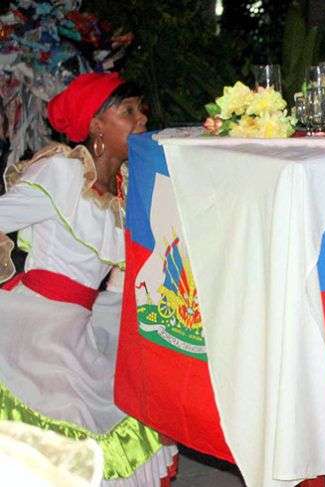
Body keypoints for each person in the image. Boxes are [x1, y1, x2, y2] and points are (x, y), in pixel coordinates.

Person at [0, 72, 178, 485]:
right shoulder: (62, 174)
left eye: (141, 111)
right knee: (64, 436)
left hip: (79, 325)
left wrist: (129, 349)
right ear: (97, 124)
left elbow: (119, 280)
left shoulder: (125, 189)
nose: (141, 121)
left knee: (127, 414)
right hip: (33, 328)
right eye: (127, 112)